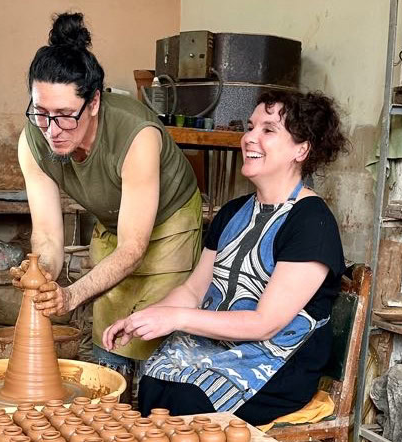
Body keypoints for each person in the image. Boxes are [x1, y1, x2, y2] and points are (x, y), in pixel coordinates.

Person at [102, 89, 349, 425]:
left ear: (301, 149)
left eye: (268, 130)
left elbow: (266, 323)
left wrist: (176, 319)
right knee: (155, 379)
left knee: (185, 398)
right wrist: (145, 316)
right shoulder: (233, 212)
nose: (250, 138)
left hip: (278, 360)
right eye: (250, 126)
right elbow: (193, 291)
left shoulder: (311, 222)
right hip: (220, 345)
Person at [10, 11, 202, 393]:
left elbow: (134, 247)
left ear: (94, 102)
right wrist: (42, 278)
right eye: (41, 113)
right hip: (114, 223)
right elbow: (48, 236)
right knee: (109, 348)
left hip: (169, 226)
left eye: (65, 115)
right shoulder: (33, 143)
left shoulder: (137, 135)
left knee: (152, 352)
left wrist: (72, 294)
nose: (51, 129)